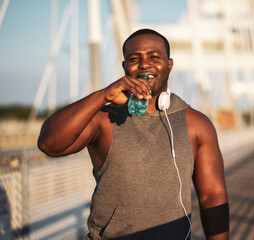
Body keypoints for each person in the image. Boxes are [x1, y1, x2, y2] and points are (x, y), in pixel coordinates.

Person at [38, 28, 229, 240]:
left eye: (154, 57)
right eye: (134, 58)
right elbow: (48, 144)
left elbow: (212, 195)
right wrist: (103, 96)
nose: (144, 64)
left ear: (169, 64)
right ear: (124, 67)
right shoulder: (105, 118)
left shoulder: (197, 124)